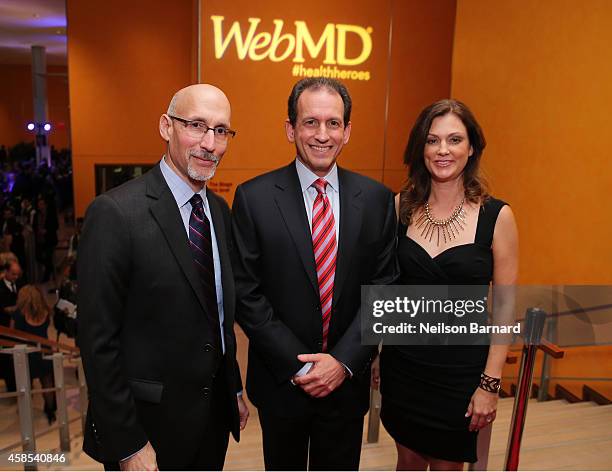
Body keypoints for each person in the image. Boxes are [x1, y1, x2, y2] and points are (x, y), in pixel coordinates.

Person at [77, 84, 249, 471]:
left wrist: (232, 387)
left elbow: (217, 315)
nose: (210, 143)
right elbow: (96, 341)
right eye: (196, 126)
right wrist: (127, 444)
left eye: (221, 131)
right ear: (165, 127)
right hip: (147, 432)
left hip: (211, 422)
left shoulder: (219, 212)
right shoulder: (115, 213)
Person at [232, 77, 398, 470]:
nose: (322, 134)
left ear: (347, 131)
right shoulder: (253, 198)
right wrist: (304, 366)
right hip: (281, 382)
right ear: (291, 129)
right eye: (310, 122)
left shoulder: (376, 200)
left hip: (346, 383)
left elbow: (385, 288)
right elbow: (246, 292)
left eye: (333, 123)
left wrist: (341, 363)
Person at [374, 99, 518, 470]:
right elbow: (386, 289)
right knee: (405, 460)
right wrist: (375, 353)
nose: (442, 150)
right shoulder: (399, 207)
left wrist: (490, 384)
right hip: (404, 368)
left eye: (454, 140)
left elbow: (503, 307)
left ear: (471, 148)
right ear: (420, 148)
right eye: (432, 140)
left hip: (460, 375)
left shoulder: (497, 217)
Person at [10, 284, 57, 424]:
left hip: (26, 354)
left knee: (25, 385)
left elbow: (13, 335)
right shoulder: (45, 312)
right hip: (44, 350)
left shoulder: (18, 315)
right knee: (47, 383)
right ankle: (50, 411)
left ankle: (26, 414)